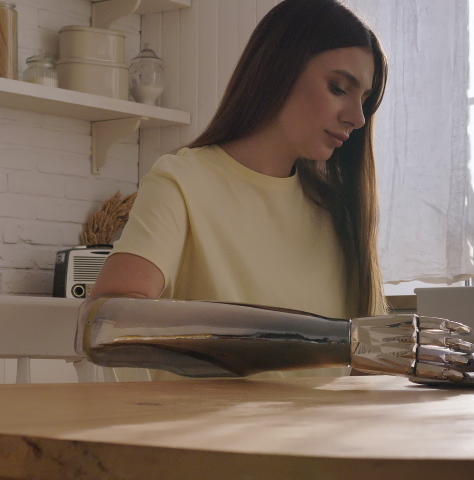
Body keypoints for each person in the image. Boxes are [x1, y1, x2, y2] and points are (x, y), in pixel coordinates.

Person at [91, 0, 388, 323]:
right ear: (278, 68)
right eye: (339, 88)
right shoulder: (183, 183)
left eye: (364, 100)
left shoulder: (337, 210)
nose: (358, 118)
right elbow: (109, 317)